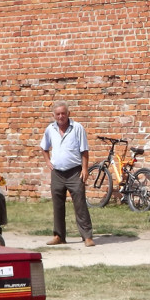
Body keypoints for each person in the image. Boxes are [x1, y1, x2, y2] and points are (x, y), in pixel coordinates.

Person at [41, 101, 95, 247]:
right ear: (53, 115)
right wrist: (48, 162)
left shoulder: (77, 128)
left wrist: (84, 169)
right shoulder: (50, 129)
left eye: (63, 113)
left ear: (68, 114)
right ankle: (59, 236)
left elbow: (84, 151)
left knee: (80, 204)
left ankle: (87, 236)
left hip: (74, 172)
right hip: (57, 173)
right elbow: (44, 147)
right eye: (58, 114)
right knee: (57, 205)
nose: (61, 116)